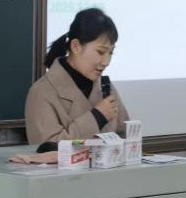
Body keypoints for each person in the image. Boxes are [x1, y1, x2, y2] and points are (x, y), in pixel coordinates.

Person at [25, 8, 130, 145]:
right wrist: (97, 117)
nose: (106, 62)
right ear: (76, 46)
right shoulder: (41, 92)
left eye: (111, 53)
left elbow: (125, 135)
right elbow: (45, 148)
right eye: (100, 52)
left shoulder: (106, 87)